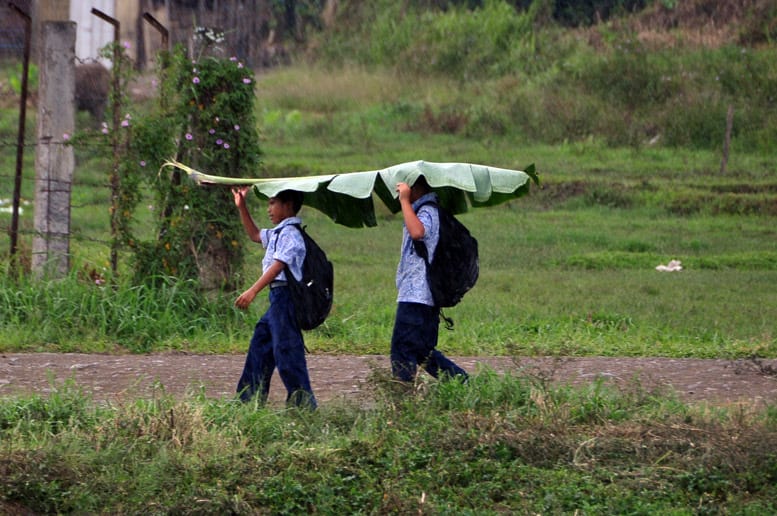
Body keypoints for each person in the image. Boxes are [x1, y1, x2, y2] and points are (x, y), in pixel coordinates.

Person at [232, 186, 317, 409]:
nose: (269, 209)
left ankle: (304, 406)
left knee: (287, 352)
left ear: (287, 205)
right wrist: (242, 207)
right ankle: (247, 402)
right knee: (261, 344)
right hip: (277, 299)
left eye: (272, 203)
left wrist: (252, 291)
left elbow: (277, 266)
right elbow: (254, 234)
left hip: (286, 298)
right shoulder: (278, 232)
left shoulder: (291, 234)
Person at [391, 176, 469, 383]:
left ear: (415, 187)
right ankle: (461, 382)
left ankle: (402, 398)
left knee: (402, 348)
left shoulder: (427, 211)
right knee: (421, 351)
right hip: (422, 295)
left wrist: (404, 201)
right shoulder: (425, 210)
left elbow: (417, 232)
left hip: (416, 294)